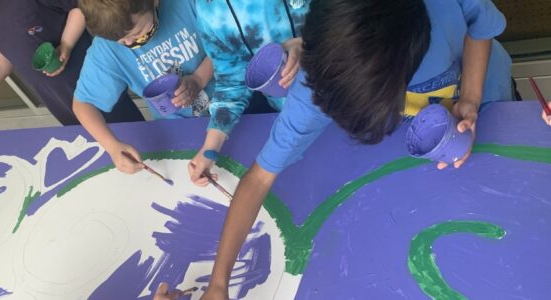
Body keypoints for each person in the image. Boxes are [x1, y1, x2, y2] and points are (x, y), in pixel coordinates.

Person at [200, 0, 512, 298]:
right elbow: (258, 178)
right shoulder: (322, 80)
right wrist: (217, 285)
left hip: (489, 94)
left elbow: (481, 24)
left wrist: (471, 98)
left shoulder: (440, 11)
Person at [0, 0, 144, 125]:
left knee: (135, 139)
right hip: (59, 102)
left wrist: (66, 44)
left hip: (93, 87)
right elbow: (10, 47)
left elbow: (80, 7)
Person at [73, 0, 214, 174]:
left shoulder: (186, 4)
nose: (131, 42)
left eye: (138, 33)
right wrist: (113, 147)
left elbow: (235, 41)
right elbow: (83, 104)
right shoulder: (107, 48)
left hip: (241, 107)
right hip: (179, 131)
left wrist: (200, 78)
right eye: (122, 41)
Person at [187, 0, 310, 186]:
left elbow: (361, 20)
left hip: (353, 95)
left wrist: (312, 45)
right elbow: (231, 80)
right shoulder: (209, 10)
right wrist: (210, 148)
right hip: (294, 123)